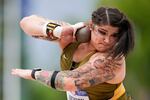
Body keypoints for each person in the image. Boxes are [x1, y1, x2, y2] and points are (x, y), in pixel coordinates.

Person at [11, 7, 134, 100]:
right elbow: (27, 22)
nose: (107, 40)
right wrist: (57, 31)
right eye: (102, 32)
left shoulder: (112, 60)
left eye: (114, 35)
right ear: (91, 25)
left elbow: (68, 82)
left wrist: (33, 73)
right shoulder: (72, 38)